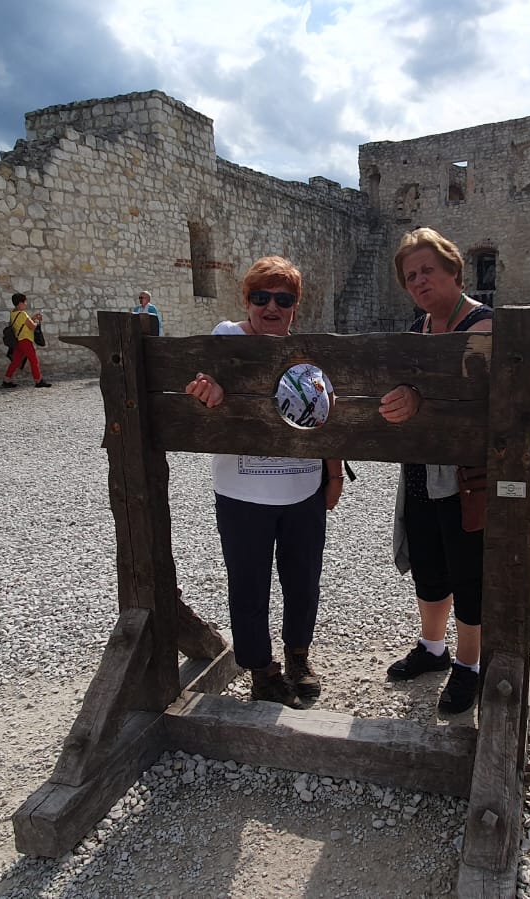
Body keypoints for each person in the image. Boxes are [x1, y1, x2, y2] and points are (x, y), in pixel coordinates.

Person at [184, 258, 344, 710]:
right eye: (261, 297)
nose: (271, 307)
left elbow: (330, 418)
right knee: (249, 586)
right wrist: (210, 387)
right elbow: (201, 378)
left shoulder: (309, 355)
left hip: (303, 490)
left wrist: (334, 473)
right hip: (242, 494)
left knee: (303, 581)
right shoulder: (227, 338)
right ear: (247, 301)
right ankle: (261, 671)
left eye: (283, 299)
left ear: (295, 306)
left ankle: (298, 656)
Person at [378, 227, 493, 715]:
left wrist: (419, 399)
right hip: (422, 470)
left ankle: (469, 663)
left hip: (468, 475)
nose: (419, 282)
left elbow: (476, 397)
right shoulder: (417, 331)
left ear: (453, 270)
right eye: (410, 277)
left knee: (467, 570)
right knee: (428, 562)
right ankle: (433, 647)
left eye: (427, 270)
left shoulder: (484, 325)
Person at [2, 293, 51, 388]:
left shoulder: (13, 313)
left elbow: (24, 323)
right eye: (25, 302)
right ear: (20, 303)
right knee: (33, 360)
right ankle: (38, 380)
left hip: (18, 340)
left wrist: (33, 318)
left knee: (15, 361)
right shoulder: (23, 314)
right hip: (25, 340)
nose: (26, 304)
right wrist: (37, 321)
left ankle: (6, 380)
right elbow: (32, 326)